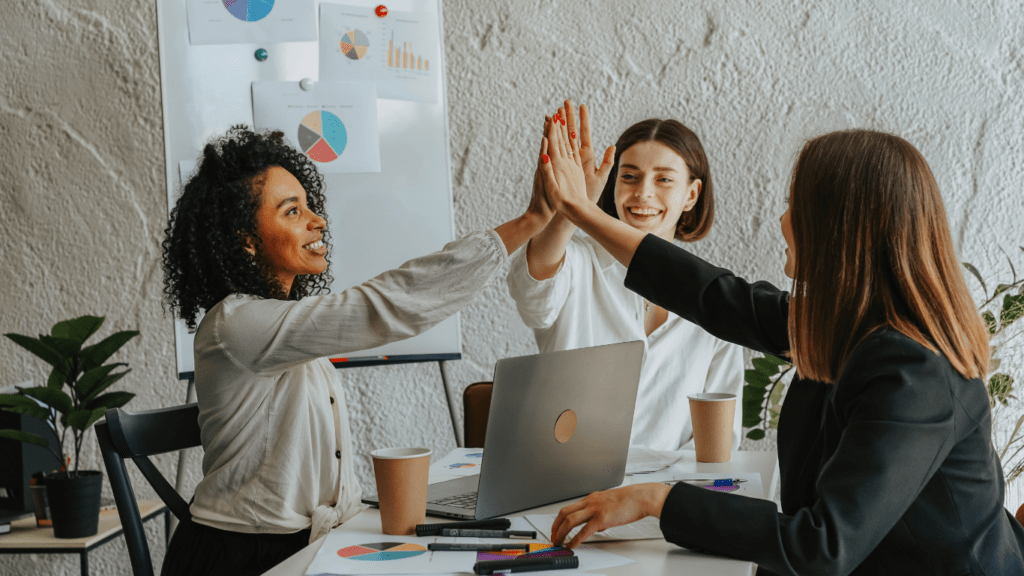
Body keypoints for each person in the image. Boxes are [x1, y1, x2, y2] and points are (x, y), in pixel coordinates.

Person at [537, 110, 1024, 575]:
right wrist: (580, 212)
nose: (783, 221)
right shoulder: (848, 323)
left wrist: (657, 500)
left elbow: (821, 547)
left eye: (795, 205)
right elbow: (711, 294)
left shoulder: (914, 371)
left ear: (839, 230)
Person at [159, 125, 553, 575]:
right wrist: (531, 220)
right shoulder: (236, 324)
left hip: (303, 545)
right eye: (292, 212)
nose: (317, 220)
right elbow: (383, 307)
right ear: (246, 239)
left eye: (310, 205)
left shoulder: (281, 324)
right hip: (239, 558)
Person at [507, 102, 743, 451]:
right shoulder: (576, 261)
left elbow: (719, 438)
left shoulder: (716, 296)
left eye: (663, 179)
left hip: (664, 495)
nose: (643, 192)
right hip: (567, 486)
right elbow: (532, 291)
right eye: (629, 176)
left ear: (691, 195)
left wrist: (664, 498)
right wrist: (573, 207)